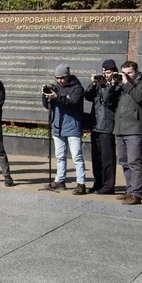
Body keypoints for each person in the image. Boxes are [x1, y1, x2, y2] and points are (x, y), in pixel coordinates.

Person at [113, 61, 142, 205]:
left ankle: (136, 194)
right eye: (124, 73)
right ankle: (129, 190)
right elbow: (110, 101)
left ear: (137, 71)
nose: (126, 75)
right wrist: (112, 85)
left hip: (135, 129)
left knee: (134, 162)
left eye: (129, 72)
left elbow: (141, 98)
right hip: (120, 129)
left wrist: (126, 83)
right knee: (124, 162)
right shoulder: (122, 85)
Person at [42, 64, 86, 193]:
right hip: (58, 126)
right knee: (60, 156)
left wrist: (57, 97)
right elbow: (48, 106)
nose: (60, 80)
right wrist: (45, 96)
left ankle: (81, 183)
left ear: (68, 76)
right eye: (57, 78)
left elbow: (72, 103)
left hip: (73, 126)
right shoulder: (55, 88)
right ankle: (60, 180)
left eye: (62, 78)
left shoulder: (77, 88)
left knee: (77, 157)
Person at [83, 60, 121, 195]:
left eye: (108, 72)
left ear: (114, 72)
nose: (105, 75)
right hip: (95, 125)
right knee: (96, 158)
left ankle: (108, 185)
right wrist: (94, 83)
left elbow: (108, 100)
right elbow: (87, 96)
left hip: (107, 126)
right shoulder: (100, 84)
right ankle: (98, 183)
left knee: (107, 158)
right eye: (104, 72)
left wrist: (109, 85)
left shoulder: (117, 85)